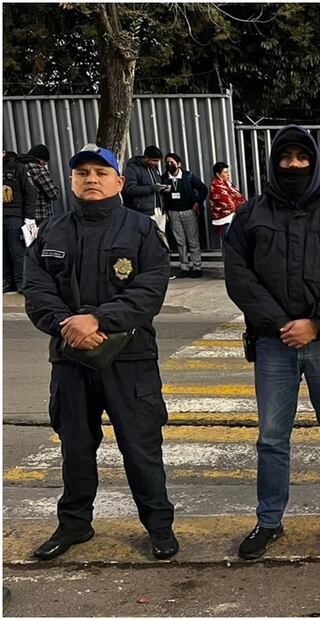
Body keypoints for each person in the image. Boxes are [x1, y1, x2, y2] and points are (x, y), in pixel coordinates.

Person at [22, 144, 177, 560]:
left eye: (101, 172)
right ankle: (74, 526)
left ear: (119, 182)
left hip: (130, 359)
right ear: (71, 181)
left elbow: (150, 290)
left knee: (141, 447)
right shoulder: (52, 232)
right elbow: (36, 291)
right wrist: (67, 326)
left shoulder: (142, 230)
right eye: (82, 172)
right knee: (74, 446)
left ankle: (159, 527)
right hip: (71, 358)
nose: (91, 178)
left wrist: (97, 320)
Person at [224, 125, 320, 560]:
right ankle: (269, 521)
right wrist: (281, 324)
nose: (293, 165)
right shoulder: (251, 215)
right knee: (272, 437)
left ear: (315, 161)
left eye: (301, 157)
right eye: (285, 158)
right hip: (273, 344)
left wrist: (317, 323)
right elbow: (239, 276)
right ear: (274, 163)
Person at [161, 153, 209, 278]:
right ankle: (184, 267)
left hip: (189, 211)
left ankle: (197, 266)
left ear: (179, 164)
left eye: (172, 162)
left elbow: (203, 189)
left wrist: (197, 202)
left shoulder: (188, 176)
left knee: (193, 240)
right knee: (180, 241)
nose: (169, 164)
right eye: (167, 162)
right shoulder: (164, 178)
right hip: (173, 212)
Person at [2, 149, 38, 294]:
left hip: (14, 216)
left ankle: (21, 282)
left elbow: (30, 192)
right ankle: (6, 281)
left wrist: (29, 217)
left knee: (17, 251)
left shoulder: (18, 168)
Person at [124, 145, 171, 233]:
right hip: (143, 213)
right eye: (154, 160)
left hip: (159, 212)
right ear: (146, 158)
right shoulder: (133, 169)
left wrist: (163, 189)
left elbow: (155, 188)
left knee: (160, 241)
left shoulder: (154, 169)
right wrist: (152, 188)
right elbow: (130, 189)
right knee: (147, 240)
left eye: (158, 161)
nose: (156, 163)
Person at [209, 161, 246, 259]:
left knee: (235, 244)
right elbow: (229, 203)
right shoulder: (216, 186)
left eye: (228, 172)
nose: (228, 174)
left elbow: (239, 197)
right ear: (218, 174)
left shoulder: (228, 184)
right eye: (225, 172)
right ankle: (228, 268)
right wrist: (240, 204)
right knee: (228, 244)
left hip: (234, 217)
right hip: (225, 219)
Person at [22, 144, 60, 226]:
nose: (45, 165)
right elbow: (53, 194)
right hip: (40, 217)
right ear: (41, 160)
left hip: (23, 217)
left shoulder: (20, 166)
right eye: (45, 163)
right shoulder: (38, 168)